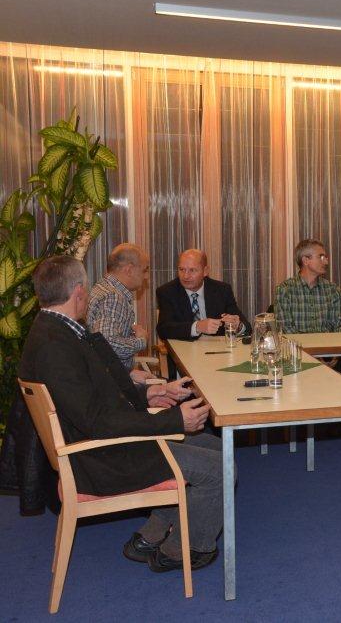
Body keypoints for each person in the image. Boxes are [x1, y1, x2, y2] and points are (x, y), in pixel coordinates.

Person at [19, 256, 223, 572]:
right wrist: (174, 420)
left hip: (99, 445)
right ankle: (186, 549)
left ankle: (151, 533)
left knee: (214, 446)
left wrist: (149, 393)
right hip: (100, 458)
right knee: (219, 467)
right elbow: (97, 421)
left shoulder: (53, 331)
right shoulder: (55, 345)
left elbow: (94, 395)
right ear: (79, 291)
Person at [273, 239, 341, 390]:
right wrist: (313, 356)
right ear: (306, 260)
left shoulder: (332, 290)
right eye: (321, 257)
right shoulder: (285, 290)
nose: (326, 261)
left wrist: (336, 354)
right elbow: (286, 330)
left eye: (325, 257)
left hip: (331, 352)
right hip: (299, 354)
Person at [156, 249, 250, 341]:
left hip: (217, 348)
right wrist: (197, 327)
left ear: (205, 271)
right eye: (181, 269)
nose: (185, 276)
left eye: (192, 270)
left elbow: (247, 328)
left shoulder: (222, 290)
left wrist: (238, 325)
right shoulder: (167, 292)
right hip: (183, 349)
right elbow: (163, 329)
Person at [86, 243, 150, 371]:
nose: (146, 276)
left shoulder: (103, 286)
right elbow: (108, 345)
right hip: (111, 379)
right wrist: (141, 340)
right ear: (129, 270)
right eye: (144, 270)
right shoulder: (113, 297)